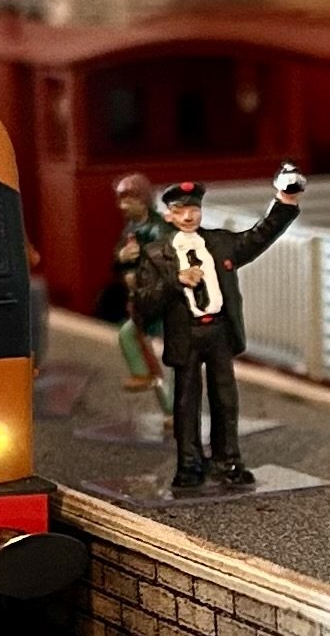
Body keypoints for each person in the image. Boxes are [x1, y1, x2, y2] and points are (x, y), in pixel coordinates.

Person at [126, 165, 305, 491]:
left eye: (194, 209)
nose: (188, 216)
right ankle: (189, 464)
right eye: (181, 210)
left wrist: (285, 200)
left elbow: (258, 236)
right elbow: (143, 304)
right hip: (186, 335)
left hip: (219, 331)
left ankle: (228, 460)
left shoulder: (220, 243)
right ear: (169, 216)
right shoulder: (156, 255)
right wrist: (176, 281)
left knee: (225, 399)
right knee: (186, 403)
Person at [106, 173, 168, 415]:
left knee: (163, 362)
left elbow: (165, 263)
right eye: (121, 201)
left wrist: (139, 264)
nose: (123, 207)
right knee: (134, 341)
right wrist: (122, 258)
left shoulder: (158, 229)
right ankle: (145, 378)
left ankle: (174, 409)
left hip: (160, 304)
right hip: (141, 301)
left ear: (143, 201)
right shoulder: (131, 229)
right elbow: (117, 262)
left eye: (128, 201)